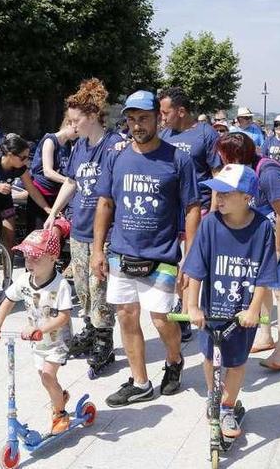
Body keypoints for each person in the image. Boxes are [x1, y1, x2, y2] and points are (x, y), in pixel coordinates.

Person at [91, 90, 200, 406]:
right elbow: (105, 202)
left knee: (161, 319)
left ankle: (174, 359)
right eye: (132, 119)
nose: (137, 125)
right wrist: (98, 249)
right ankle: (140, 383)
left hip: (162, 254)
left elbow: (192, 208)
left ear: (158, 118)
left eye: (143, 118)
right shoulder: (117, 156)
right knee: (126, 315)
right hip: (122, 252)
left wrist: (190, 257)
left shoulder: (179, 159)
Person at [183, 163, 277, 439]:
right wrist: (192, 306)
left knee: (235, 362)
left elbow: (263, 275)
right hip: (212, 311)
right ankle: (213, 395)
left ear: (247, 196)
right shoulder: (210, 224)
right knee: (210, 357)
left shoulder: (262, 228)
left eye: (225, 193)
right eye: (216, 193)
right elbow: (196, 269)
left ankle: (227, 406)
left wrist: (253, 309)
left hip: (241, 315)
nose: (218, 198)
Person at [214, 132, 280, 371]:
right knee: (262, 284)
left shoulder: (269, 174)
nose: (220, 160)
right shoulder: (243, 170)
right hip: (270, 233)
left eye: (223, 156)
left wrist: (277, 249)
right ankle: (265, 336)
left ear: (233, 156)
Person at [44, 78, 123, 370]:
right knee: (82, 286)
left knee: (100, 285)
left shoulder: (113, 146)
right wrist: (54, 212)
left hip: (105, 232)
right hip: (79, 228)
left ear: (91, 116)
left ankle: (104, 339)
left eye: (76, 120)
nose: (72, 125)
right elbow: (72, 182)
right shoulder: (79, 148)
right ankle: (90, 327)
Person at [0, 222, 74, 434]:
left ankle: (60, 413)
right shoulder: (24, 280)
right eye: (26, 257)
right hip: (37, 340)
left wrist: (41, 328)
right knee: (44, 376)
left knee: (48, 376)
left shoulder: (60, 285)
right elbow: (8, 299)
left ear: (52, 258)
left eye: (36, 257)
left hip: (57, 340)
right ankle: (59, 397)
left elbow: (63, 316)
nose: (29, 262)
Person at [158, 86, 222, 342]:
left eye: (166, 112)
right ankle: (179, 304)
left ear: (181, 111)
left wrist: (215, 212)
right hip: (169, 213)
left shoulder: (206, 134)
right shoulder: (164, 134)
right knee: (172, 264)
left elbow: (217, 175)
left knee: (193, 264)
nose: (162, 118)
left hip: (200, 209)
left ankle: (189, 309)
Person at [0, 134, 51, 250]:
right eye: (23, 157)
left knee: (10, 238)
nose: (26, 161)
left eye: (27, 157)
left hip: (4, 201)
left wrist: (47, 208)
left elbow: (32, 190)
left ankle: (9, 266)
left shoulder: (20, 168)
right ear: (10, 154)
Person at [28, 119, 76, 230]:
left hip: (57, 195)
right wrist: (69, 182)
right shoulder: (50, 140)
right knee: (38, 235)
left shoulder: (68, 144)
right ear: (68, 124)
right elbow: (48, 172)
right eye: (76, 130)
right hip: (41, 194)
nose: (78, 133)